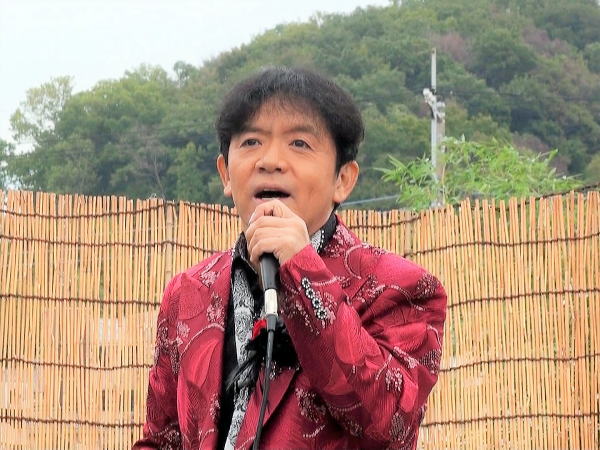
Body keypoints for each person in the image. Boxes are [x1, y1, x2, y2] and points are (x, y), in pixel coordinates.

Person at [133, 67, 447, 450]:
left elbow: (389, 426)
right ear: (226, 174)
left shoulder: (402, 288)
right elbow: (162, 439)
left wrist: (301, 269)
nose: (270, 161)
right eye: (251, 142)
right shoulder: (187, 293)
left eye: (299, 143)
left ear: (343, 180)